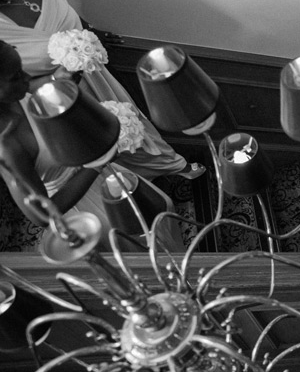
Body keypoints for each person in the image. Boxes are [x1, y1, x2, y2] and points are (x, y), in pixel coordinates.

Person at [0, 0, 204, 181]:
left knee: (129, 121)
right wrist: (59, 79)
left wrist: (89, 33)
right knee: (94, 146)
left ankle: (170, 165)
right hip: (55, 100)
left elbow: (66, 13)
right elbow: (10, 88)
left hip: (95, 76)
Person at [0, 40, 184, 252]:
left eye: (21, 69)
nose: (26, 78)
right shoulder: (7, 146)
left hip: (98, 169)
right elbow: (43, 216)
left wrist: (58, 79)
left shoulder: (16, 93)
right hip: (75, 196)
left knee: (162, 207)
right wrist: (97, 164)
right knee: (135, 239)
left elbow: (34, 87)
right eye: (15, 76)